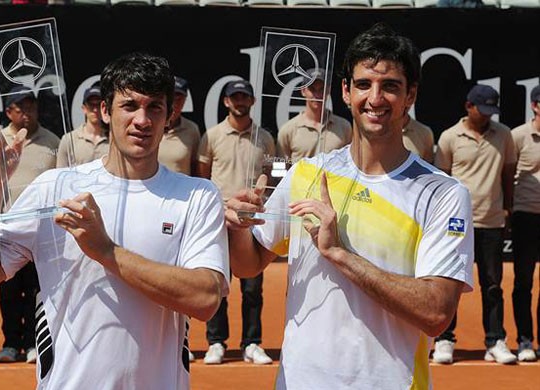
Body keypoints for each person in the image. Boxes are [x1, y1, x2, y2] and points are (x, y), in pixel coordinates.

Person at [223, 23, 474, 389]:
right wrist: (236, 226)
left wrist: (340, 254)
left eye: (390, 86)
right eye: (363, 84)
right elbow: (247, 264)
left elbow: (436, 312)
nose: (375, 98)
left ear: (411, 95)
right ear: (345, 91)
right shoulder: (307, 173)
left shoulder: (443, 193)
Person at [0, 52, 228, 389]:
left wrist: (106, 251)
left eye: (154, 107)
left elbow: (205, 299)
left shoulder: (197, 195)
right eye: (129, 106)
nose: (142, 120)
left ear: (170, 114)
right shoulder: (54, 186)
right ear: (105, 110)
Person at [433, 84, 517, 365]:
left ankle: (496, 340)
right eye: (483, 111)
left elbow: (508, 174)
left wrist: (507, 210)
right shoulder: (448, 138)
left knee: (493, 284)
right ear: (468, 106)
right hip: (457, 224)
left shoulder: (504, 135)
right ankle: (445, 339)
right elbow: (441, 182)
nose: (487, 117)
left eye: (491, 112)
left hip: (491, 221)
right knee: (451, 281)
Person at [198, 79, 275, 365]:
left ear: (252, 102)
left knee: (253, 288)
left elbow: (271, 176)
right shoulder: (212, 136)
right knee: (218, 282)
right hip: (218, 221)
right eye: (235, 97)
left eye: (245, 97)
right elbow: (202, 175)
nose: (240, 101)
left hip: (252, 223)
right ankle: (216, 342)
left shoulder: (265, 138)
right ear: (226, 102)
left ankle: (252, 343)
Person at [0, 86, 60, 364]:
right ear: (9, 112)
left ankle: (34, 342)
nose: (26, 112)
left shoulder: (52, 141)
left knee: (38, 289)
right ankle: (10, 343)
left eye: (30, 106)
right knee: (8, 290)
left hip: (42, 231)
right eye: (20, 107)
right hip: (7, 229)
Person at [510, 84, 540, 362]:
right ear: (535, 105)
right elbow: (509, 175)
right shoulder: (518, 136)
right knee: (523, 282)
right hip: (526, 217)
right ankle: (524, 339)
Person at [277, 67, 351, 164]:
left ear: (328, 91)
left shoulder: (344, 127)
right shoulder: (288, 130)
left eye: (321, 89)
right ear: (303, 91)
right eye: (312, 89)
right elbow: (282, 170)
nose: (317, 95)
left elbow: (350, 164)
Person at [56, 82, 109, 168]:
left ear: (103, 108)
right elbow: (61, 174)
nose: (95, 110)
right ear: (84, 108)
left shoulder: (113, 139)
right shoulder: (69, 140)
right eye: (91, 105)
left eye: (98, 105)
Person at [158, 76, 201, 176]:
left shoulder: (192, 129)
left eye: (179, 98)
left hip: (182, 190)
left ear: (185, 100)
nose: (174, 103)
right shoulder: (149, 125)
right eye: (171, 97)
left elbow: (196, 167)